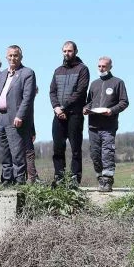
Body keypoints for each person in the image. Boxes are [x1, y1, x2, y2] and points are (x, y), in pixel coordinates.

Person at [0, 45, 36, 186]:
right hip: (1, 117)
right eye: (10, 55)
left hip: (15, 117)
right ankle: (6, 179)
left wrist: (20, 115)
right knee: (3, 151)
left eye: (15, 55)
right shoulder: (3, 74)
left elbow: (28, 98)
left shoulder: (27, 73)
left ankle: (19, 179)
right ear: (6, 57)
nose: (12, 58)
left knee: (17, 151)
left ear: (20, 57)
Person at [83, 57, 129, 192]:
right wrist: (85, 108)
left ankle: (108, 180)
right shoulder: (94, 84)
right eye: (99, 66)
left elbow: (124, 102)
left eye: (104, 66)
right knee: (95, 153)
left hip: (109, 125)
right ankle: (100, 178)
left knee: (107, 152)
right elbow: (89, 102)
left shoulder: (118, 82)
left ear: (110, 67)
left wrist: (112, 110)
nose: (101, 68)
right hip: (93, 125)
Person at [49, 41, 90, 185]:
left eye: (70, 51)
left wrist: (63, 108)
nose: (67, 53)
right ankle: (59, 177)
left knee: (75, 148)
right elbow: (52, 91)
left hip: (74, 114)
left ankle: (74, 178)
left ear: (76, 51)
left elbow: (80, 92)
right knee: (58, 148)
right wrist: (56, 108)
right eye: (65, 51)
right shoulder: (58, 70)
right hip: (58, 114)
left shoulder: (82, 69)